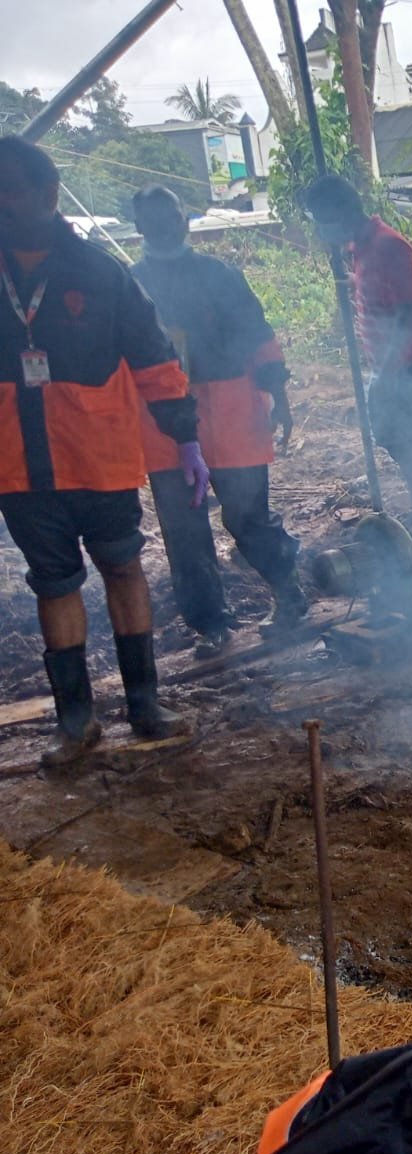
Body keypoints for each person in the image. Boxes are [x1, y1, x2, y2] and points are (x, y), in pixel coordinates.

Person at [0, 138, 201, 765]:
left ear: (48, 193)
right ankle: (75, 723)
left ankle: (144, 706)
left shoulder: (98, 272)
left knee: (122, 568)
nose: (5, 202)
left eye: (15, 189)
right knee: (54, 584)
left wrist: (186, 436)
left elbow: (154, 356)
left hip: (101, 459)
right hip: (18, 467)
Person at [130, 186, 306, 656]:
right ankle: (212, 626)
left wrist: (280, 396)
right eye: (154, 218)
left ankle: (290, 594)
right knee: (184, 533)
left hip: (232, 411)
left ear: (185, 219)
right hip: (163, 420)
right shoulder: (130, 284)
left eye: (172, 215)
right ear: (139, 226)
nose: (166, 225)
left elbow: (258, 334)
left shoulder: (220, 275)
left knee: (248, 518)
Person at [301, 175, 412, 572]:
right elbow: (383, 295)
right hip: (393, 369)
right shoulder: (361, 250)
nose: (319, 230)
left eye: (320, 220)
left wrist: (384, 375)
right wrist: (352, 283)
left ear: (338, 214)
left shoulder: (389, 246)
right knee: (406, 449)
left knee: (410, 456)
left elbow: (407, 312)